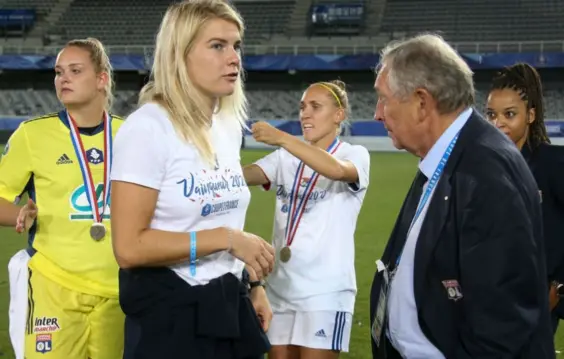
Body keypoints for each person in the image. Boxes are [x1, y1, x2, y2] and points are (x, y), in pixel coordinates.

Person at [368, 33, 556, 359]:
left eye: (383, 99)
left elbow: (501, 328)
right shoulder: (451, 156)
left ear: (422, 103)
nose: (377, 114)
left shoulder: (487, 173)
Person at [109, 1, 275, 358]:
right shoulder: (147, 128)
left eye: (236, 46)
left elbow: (222, 216)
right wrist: (227, 240)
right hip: (169, 316)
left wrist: (253, 284)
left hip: (228, 304)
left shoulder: (227, 126)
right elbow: (129, 248)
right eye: (217, 46)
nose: (234, 58)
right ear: (178, 54)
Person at [0, 38, 125, 359]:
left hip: (121, 289)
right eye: (58, 72)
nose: (63, 79)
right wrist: (17, 213)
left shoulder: (132, 135)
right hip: (54, 285)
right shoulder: (32, 135)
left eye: (75, 70)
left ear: (101, 79)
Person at [243, 80, 370, 359]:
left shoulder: (354, 154)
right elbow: (242, 177)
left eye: (315, 107)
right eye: (302, 107)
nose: (305, 114)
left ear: (338, 115)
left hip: (324, 293)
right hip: (280, 289)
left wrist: (283, 138)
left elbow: (337, 171)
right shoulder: (283, 159)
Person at [486, 62, 564, 334]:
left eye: (509, 114)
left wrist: (558, 290)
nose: (498, 123)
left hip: (533, 306)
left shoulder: (552, 162)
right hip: (487, 300)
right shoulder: (485, 165)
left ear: (530, 115)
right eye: (491, 114)